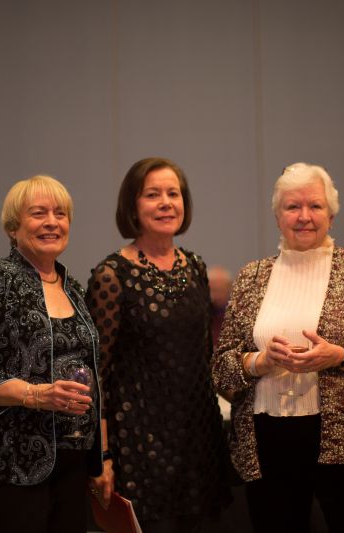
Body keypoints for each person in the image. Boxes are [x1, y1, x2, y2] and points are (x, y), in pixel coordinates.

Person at [211, 163, 344, 533]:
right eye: (293, 207)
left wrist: (339, 356)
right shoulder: (251, 277)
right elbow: (221, 367)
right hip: (266, 439)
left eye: (315, 206)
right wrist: (260, 361)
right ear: (278, 216)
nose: (304, 216)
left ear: (331, 214)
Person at [0, 175, 112, 533]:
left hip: (72, 465)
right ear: (13, 227)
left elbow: (96, 376)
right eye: (38, 214)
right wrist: (34, 394)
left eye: (60, 214)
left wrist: (102, 457)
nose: (52, 222)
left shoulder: (74, 289)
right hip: (7, 465)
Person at [87, 157, 229, 533]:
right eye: (152, 195)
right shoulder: (111, 276)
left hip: (199, 445)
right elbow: (97, 375)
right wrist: (102, 456)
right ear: (132, 205)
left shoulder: (195, 267)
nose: (166, 203)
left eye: (173, 194)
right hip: (139, 449)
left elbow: (204, 359)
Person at [207, 265, 232, 348]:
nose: (217, 295)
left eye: (221, 290)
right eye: (214, 290)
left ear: (229, 288)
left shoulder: (236, 314)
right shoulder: (202, 315)